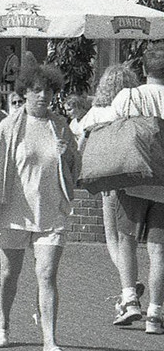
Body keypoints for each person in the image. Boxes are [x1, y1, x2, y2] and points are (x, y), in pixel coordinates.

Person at [0, 64, 78, 351]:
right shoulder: (9, 127)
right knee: (10, 274)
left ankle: (50, 340)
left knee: (46, 274)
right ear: (25, 92)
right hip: (15, 212)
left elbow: (73, 169)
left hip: (51, 211)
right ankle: (3, 322)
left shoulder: (59, 125)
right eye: (36, 90)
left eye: (48, 90)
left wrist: (67, 152)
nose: (43, 96)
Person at [76, 64, 141, 324]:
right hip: (134, 179)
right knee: (131, 239)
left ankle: (130, 286)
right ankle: (130, 286)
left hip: (107, 181)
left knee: (113, 238)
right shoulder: (132, 108)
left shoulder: (97, 112)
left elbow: (80, 145)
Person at [109, 43, 164, 335]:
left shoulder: (129, 96)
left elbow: (114, 130)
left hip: (132, 179)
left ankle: (130, 298)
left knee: (126, 239)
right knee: (159, 250)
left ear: (143, 70)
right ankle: (156, 314)